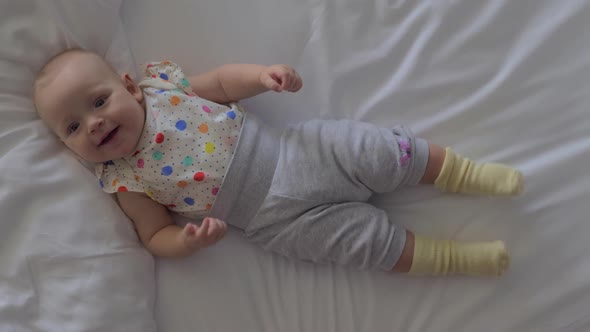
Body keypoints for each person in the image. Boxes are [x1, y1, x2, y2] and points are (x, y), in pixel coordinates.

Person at [33, 48, 523, 277]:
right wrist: (185, 241)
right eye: (73, 127)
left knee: (375, 149)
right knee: (367, 247)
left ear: (130, 86)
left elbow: (224, 82)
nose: (93, 124)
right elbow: (152, 235)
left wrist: (262, 75)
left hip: (296, 152)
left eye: (97, 103)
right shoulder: (124, 179)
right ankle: (455, 259)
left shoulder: (165, 91)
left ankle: (464, 173)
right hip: (274, 221)